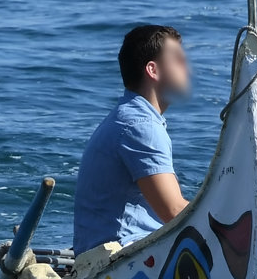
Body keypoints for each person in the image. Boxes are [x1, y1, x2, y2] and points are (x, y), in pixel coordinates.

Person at [72, 25, 191, 255]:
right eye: (178, 60)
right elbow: (174, 212)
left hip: (107, 250)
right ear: (153, 70)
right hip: (121, 255)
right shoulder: (140, 126)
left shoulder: (130, 116)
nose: (187, 69)